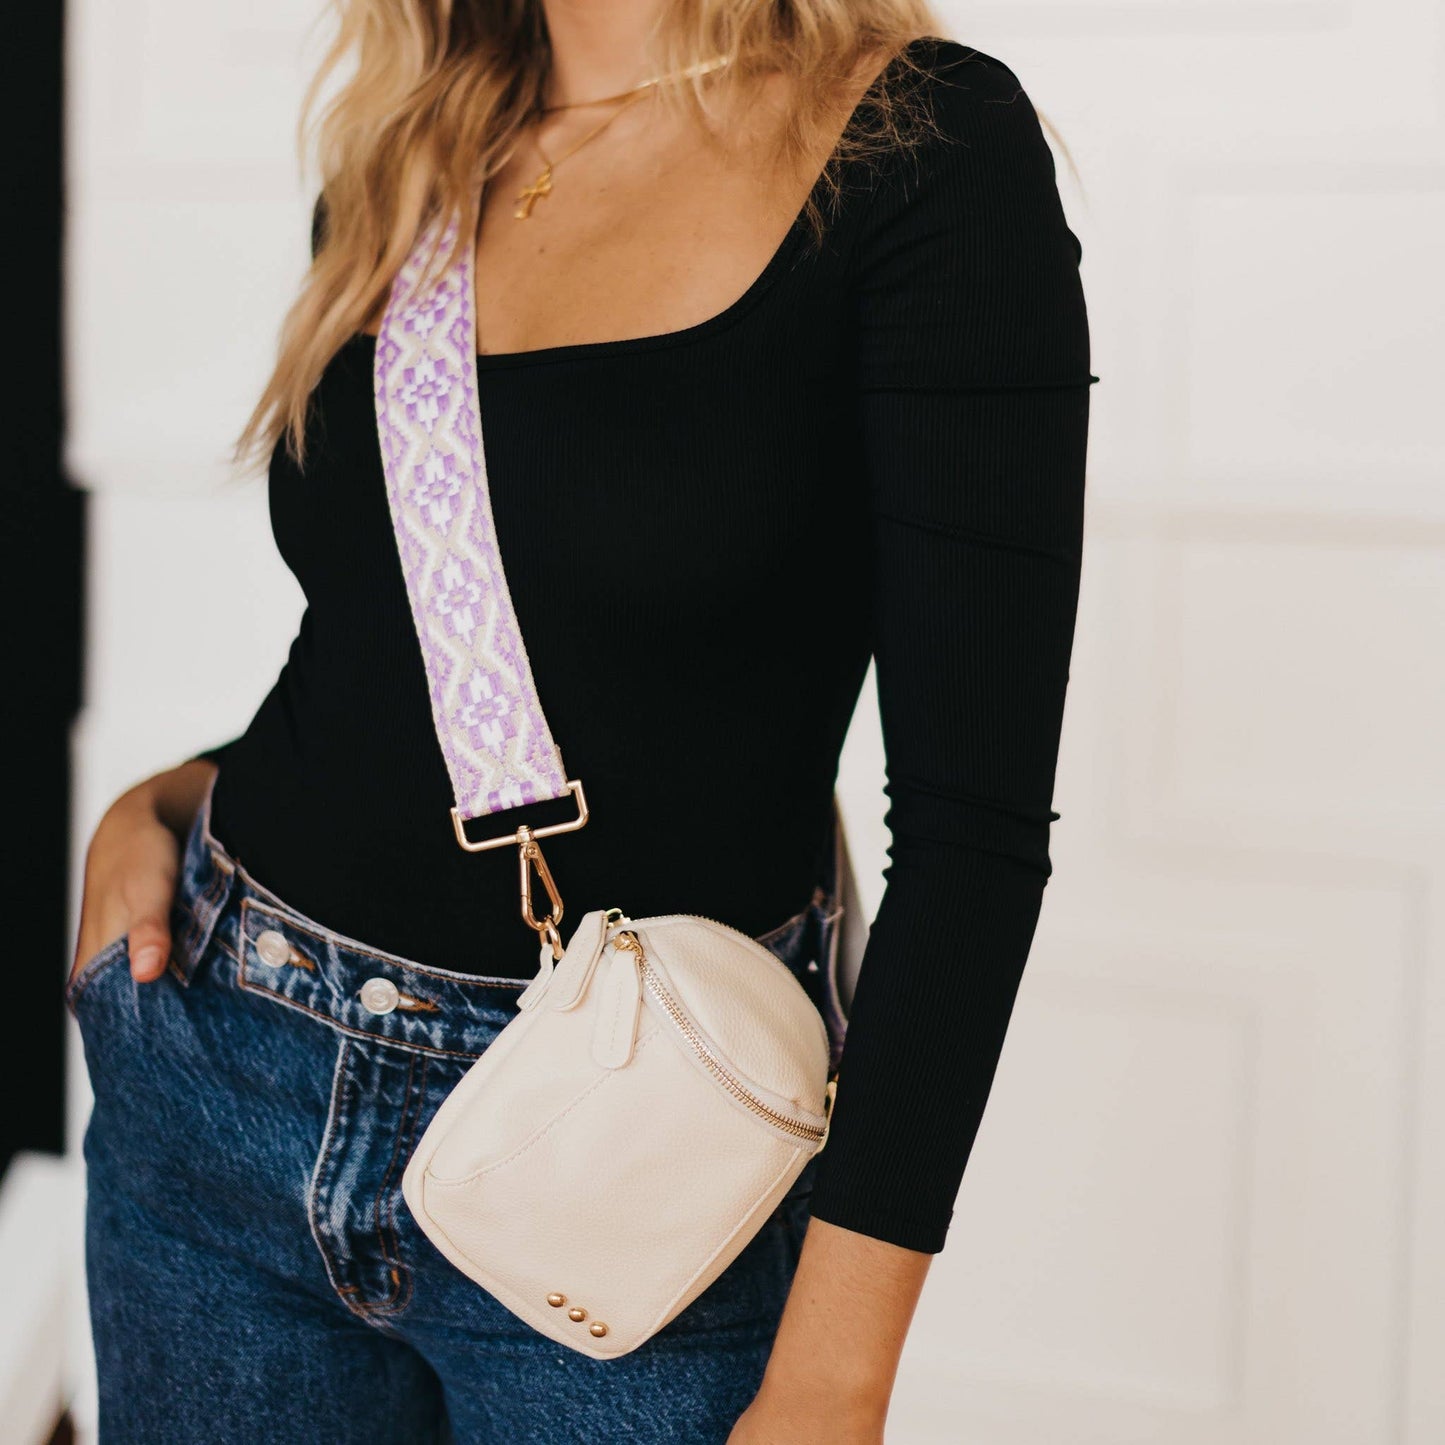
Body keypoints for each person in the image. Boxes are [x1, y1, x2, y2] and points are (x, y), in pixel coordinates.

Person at [67, 3, 1093, 1440]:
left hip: (637, 1171)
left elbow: (970, 837)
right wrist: (172, 794)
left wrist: (831, 1381)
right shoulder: (418, 149)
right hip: (225, 1085)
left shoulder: (917, 147)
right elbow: (394, 641)